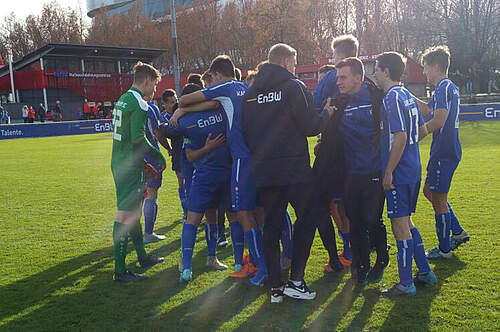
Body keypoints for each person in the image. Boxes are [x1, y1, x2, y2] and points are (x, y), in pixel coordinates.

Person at [242, 43, 336, 303]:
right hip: (294, 170)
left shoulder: (250, 94)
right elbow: (309, 126)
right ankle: (296, 280)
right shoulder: (293, 87)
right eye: (294, 63)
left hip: (265, 170)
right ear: (285, 61)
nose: (295, 68)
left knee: (271, 226)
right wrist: (326, 113)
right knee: (311, 214)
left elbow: (245, 133)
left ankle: (275, 287)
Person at [171, 55, 267, 286]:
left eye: (210, 81)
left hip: (233, 164)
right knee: (254, 212)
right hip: (251, 160)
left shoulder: (223, 89)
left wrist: (180, 111)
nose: (209, 86)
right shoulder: (242, 90)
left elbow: (183, 103)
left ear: (217, 75)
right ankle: (256, 261)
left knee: (237, 214)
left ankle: (258, 265)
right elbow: (215, 104)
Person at [374, 52, 437, 296]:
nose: (374, 74)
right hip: (413, 168)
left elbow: (400, 135)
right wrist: (409, 149)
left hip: (399, 173)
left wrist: (389, 170)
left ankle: (405, 284)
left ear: (386, 71)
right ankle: (425, 272)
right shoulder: (406, 95)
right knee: (408, 222)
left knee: (399, 226)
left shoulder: (391, 98)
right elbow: (421, 130)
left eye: (376, 69)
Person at [163, 83, 233, 281]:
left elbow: (168, 131)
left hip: (205, 175)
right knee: (204, 217)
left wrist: (179, 112)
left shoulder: (184, 121)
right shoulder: (218, 110)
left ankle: (195, 264)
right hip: (203, 175)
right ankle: (198, 262)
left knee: (199, 218)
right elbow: (190, 154)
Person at [332, 57, 389, 285]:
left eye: (343, 77)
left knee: (372, 219)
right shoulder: (340, 101)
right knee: (354, 221)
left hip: (375, 170)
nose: (339, 82)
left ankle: (382, 259)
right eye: (337, 77)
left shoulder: (377, 98)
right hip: (351, 173)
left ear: (359, 77)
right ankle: (362, 265)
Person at [110, 61, 166, 282]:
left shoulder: (123, 99)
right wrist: (159, 156)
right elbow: (138, 140)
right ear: (147, 80)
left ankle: (142, 257)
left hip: (121, 162)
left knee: (132, 212)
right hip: (129, 167)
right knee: (125, 214)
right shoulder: (139, 103)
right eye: (154, 85)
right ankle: (120, 271)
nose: (155, 91)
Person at [414, 46, 470, 259]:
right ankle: (457, 232)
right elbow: (428, 110)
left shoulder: (444, 87)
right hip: (445, 149)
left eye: (426, 68)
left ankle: (445, 249)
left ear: (436, 67)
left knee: (438, 198)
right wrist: (409, 97)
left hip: (444, 150)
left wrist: (417, 136)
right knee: (430, 192)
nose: (424, 73)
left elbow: (437, 120)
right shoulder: (445, 88)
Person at [142, 90, 171, 244]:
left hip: (133, 157)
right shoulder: (150, 108)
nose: (154, 90)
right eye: (154, 86)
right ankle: (148, 233)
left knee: (138, 196)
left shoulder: (127, 106)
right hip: (151, 156)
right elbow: (158, 133)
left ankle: (130, 234)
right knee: (151, 194)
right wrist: (168, 148)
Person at [161, 89, 187, 219]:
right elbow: (162, 134)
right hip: (178, 153)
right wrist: (169, 148)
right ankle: (186, 212)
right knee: (182, 182)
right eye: (171, 102)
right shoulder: (164, 117)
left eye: (176, 100)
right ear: (165, 104)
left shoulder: (182, 111)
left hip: (190, 150)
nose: (175, 103)